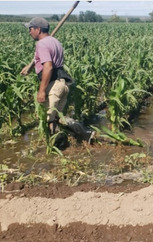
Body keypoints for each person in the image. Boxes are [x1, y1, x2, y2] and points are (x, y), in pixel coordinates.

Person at [21, 17, 94, 147]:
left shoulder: (42, 44)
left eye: (30, 29)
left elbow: (48, 66)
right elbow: (41, 59)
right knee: (58, 117)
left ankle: (56, 149)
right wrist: (30, 66)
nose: (29, 32)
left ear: (38, 29)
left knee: (49, 119)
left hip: (53, 85)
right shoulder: (54, 41)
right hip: (63, 84)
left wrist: (42, 91)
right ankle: (85, 134)